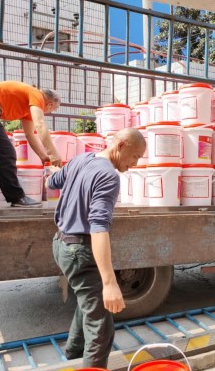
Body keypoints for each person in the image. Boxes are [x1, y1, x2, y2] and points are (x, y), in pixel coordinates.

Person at [47, 127, 146, 368]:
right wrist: (111, 283)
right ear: (121, 145)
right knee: (100, 329)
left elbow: (52, 182)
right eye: (135, 156)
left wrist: (54, 169)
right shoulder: (109, 176)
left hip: (60, 245)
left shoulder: (82, 159)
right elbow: (98, 228)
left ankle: (72, 354)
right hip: (79, 251)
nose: (135, 163)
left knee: (88, 301)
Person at [0, 81, 62, 207]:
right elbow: (40, 125)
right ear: (50, 104)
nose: (48, 113)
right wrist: (54, 154)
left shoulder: (28, 107)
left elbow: (30, 134)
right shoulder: (37, 95)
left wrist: (43, 157)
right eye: (52, 110)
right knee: (6, 153)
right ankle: (17, 197)